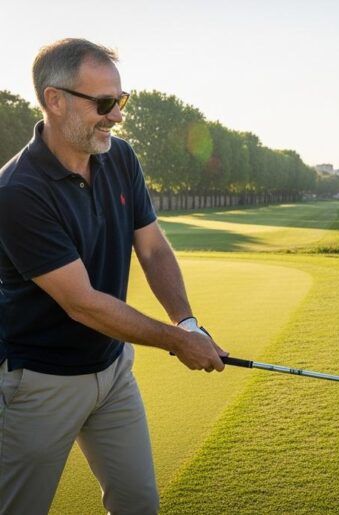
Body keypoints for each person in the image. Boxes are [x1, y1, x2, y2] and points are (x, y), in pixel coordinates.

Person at [0, 38, 227, 514]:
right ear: (54, 100)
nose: (117, 115)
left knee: (139, 503)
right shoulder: (18, 192)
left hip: (113, 371)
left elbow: (153, 246)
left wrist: (186, 322)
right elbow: (80, 302)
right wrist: (176, 341)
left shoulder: (119, 157)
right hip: (40, 382)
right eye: (104, 103)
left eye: (120, 101)